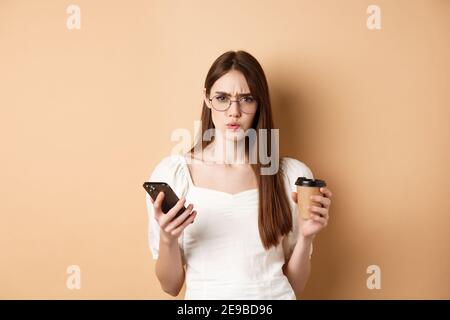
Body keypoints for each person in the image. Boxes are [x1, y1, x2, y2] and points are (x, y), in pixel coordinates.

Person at [146, 50, 333, 299]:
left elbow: (294, 286)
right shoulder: (174, 174)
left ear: (259, 103)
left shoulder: (290, 176)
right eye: (222, 98)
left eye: (246, 99)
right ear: (207, 99)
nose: (234, 112)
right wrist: (168, 240)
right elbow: (170, 286)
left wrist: (306, 238)